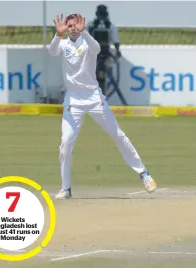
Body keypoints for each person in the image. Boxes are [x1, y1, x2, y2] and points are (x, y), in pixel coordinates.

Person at [47, 13, 157, 200]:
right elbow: (51, 51)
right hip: (73, 100)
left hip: (93, 97)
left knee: (117, 134)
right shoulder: (63, 43)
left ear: (80, 26)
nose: (72, 28)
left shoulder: (87, 42)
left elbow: (97, 48)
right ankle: (66, 188)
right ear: (65, 27)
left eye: (75, 25)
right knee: (65, 143)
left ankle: (144, 173)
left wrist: (86, 32)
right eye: (69, 25)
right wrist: (58, 35)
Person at [87, 5, 121, 96]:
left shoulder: (110, 26)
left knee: (104, 76)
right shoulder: (91, 25)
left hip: (105, 55)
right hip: (92, 55)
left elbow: (115, 40)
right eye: (100, 14)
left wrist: (117, 51)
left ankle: (102, 97)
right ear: (96, 14)